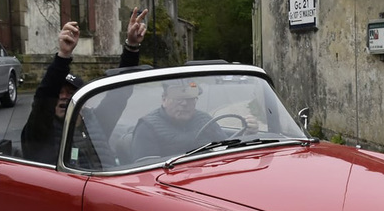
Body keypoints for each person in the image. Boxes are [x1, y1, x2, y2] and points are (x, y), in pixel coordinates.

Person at [21, 10, 147, 164]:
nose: (64, 97)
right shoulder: (41, 130)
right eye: (59, 93)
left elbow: (119, 94)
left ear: (82, 101)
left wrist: (132, 46)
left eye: (71, 93)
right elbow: (45, 96)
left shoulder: (96, 122)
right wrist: (63, 55)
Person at [130, 78, 259, 159]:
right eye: (178, 99)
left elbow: (227, 150)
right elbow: (147, 174)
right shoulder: (147, 127)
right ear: (164, 99)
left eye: (190, 99)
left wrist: (247, 134)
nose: (184, 104)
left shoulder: (205, 120)